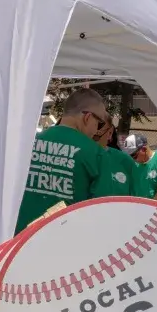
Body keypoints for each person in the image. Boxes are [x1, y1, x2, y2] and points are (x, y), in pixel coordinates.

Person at [15, 88, 111, 232]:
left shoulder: (27, 143)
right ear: (88, 117)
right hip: (66, 243)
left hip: (20, 240)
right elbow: (101, 209)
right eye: (100, 123)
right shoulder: (97, 154)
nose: (97, 131)